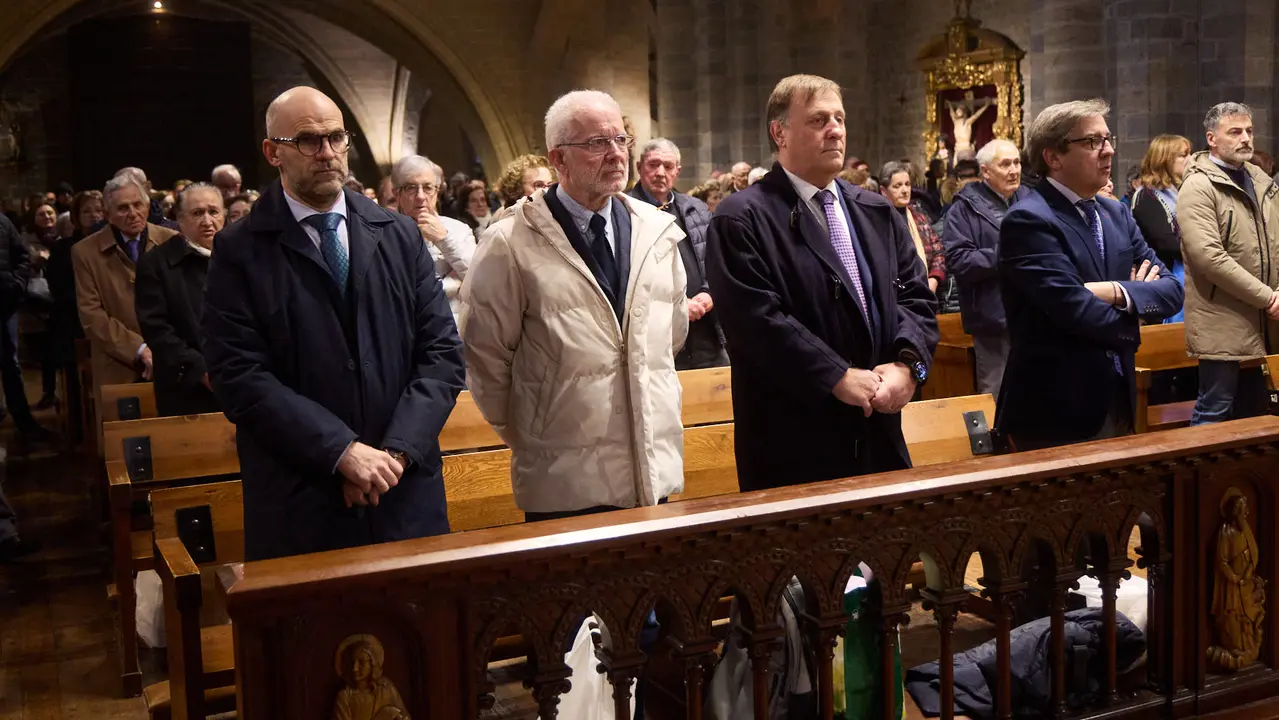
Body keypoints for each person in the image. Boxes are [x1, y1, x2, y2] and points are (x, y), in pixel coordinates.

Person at [201, 86, 465, 561]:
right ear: (272, 152)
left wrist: (395, 455)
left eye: (335, 138)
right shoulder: (240, 250)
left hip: (403, 493)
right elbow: (239, 375)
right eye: (307, 140)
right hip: (305, 496)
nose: (326, 153)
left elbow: (442, 354)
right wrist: (341, 453)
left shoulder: (398, 233)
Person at [460, 89, 689, 521]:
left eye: (621, 140)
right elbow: (484, 357)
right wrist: (537, 432)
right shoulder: (511, 241)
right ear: (559, 160)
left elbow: (671, 335)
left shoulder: (658, 233)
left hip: (651, 472)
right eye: (597, 144)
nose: (616, 154)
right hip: (564, 483)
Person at [706, 74, 938, 492]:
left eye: (839, 118)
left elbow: (916, 298)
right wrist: (836, 375)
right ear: (779, 133)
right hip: (794, 440)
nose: (835, 129)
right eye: (817, 120)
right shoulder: (741, 218)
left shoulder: (875, 211)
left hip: (877, 430)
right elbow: (756, 322)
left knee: (884, 554)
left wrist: (909, 367)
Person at [995, 99, 1183, 450]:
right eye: (1092, 142)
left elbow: (1172, 289)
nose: (1108, 150)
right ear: (1054, 157)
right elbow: (1075, 309)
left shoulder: (1116, 213)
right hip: (1056, 407)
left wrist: (1114, 291)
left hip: (1117, 396)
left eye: (1108, 139)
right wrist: (1137, 313)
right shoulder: (1029, 220)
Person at [1178, 102, 1279, 425]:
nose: (1245, 138)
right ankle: (1199, 477)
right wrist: (1269, 297)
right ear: (1212, 139)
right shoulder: (1199, 186)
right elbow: (1210, 258)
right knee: (1214, 409)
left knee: (1255, 414)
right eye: (1234, 132)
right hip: (1222, 319)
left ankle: (1245, 478)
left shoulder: (1259, 180)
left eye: (1249, 131)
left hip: (1263, 320)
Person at [74, 175, 178, 441]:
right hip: (118, 364)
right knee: (127, 452)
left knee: (175, 443)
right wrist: (139, 349)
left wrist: (164, 348)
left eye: (137, 205)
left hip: (172, 361)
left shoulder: (172, 241)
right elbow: (92, 316)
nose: (133, 213)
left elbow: (185, 303)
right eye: (122, 208)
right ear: (108, 215)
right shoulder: (85, 253)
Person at [629, 138, 729, 369]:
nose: (660, 172)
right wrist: (678, 306)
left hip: (706, 332)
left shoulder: (696, 209)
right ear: (639, 167)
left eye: (668, 166)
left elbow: (718, 259)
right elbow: (626, 277)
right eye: (653, 164)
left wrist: (709, 292)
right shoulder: (625, 211)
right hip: (656, 337)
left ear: (677, 171)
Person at [941, 139, 1030, 396]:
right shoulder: (964, 209)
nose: (1014, 170)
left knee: (1033, 394)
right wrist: (1003, 256)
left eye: (1016, 162)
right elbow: (958, 259)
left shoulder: (1029, 199)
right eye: (1005, 164)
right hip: (993, 318)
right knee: (996, 392)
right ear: (985, 171)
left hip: (1032, 313)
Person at [135, 183, 225, 416]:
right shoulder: (155, 263)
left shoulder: (241, 255)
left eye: (213, 212)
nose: (207, 221)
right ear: (180, 219)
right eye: (197, 213)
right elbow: (157, 330)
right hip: (187, 390)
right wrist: (201, 370)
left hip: (244, 380)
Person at [392, 154, 475, 324]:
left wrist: (444, 239)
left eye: (428, 188)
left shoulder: (458, 230)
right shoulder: (385, 233)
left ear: (437, 191)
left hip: (452, 325)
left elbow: (478, 279)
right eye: (411, 188)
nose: (421, 196)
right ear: (397, 194)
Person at [0, 212, 51, 439]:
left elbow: (22, 256)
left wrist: (17, 284)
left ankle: (24, 421)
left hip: (4, 304)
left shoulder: (2, 222)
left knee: (11, 364)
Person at [1131, 134, 1192, 323]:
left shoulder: (1182, 192)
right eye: (1183, 155)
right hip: (1166, 277)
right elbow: (1166, 243)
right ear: (1164, 160)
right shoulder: (1147, 197)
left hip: (1187, 273)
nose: (1191, 159)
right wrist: (1205, 248)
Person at [879, 161, 947, 295]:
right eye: (897, 186)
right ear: (883, 191)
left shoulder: (918, 216)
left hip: (927, 294)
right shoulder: (878, 221)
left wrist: (934, 278)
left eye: (907, 184)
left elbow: (939, 252)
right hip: (897, 297)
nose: (905, 190)